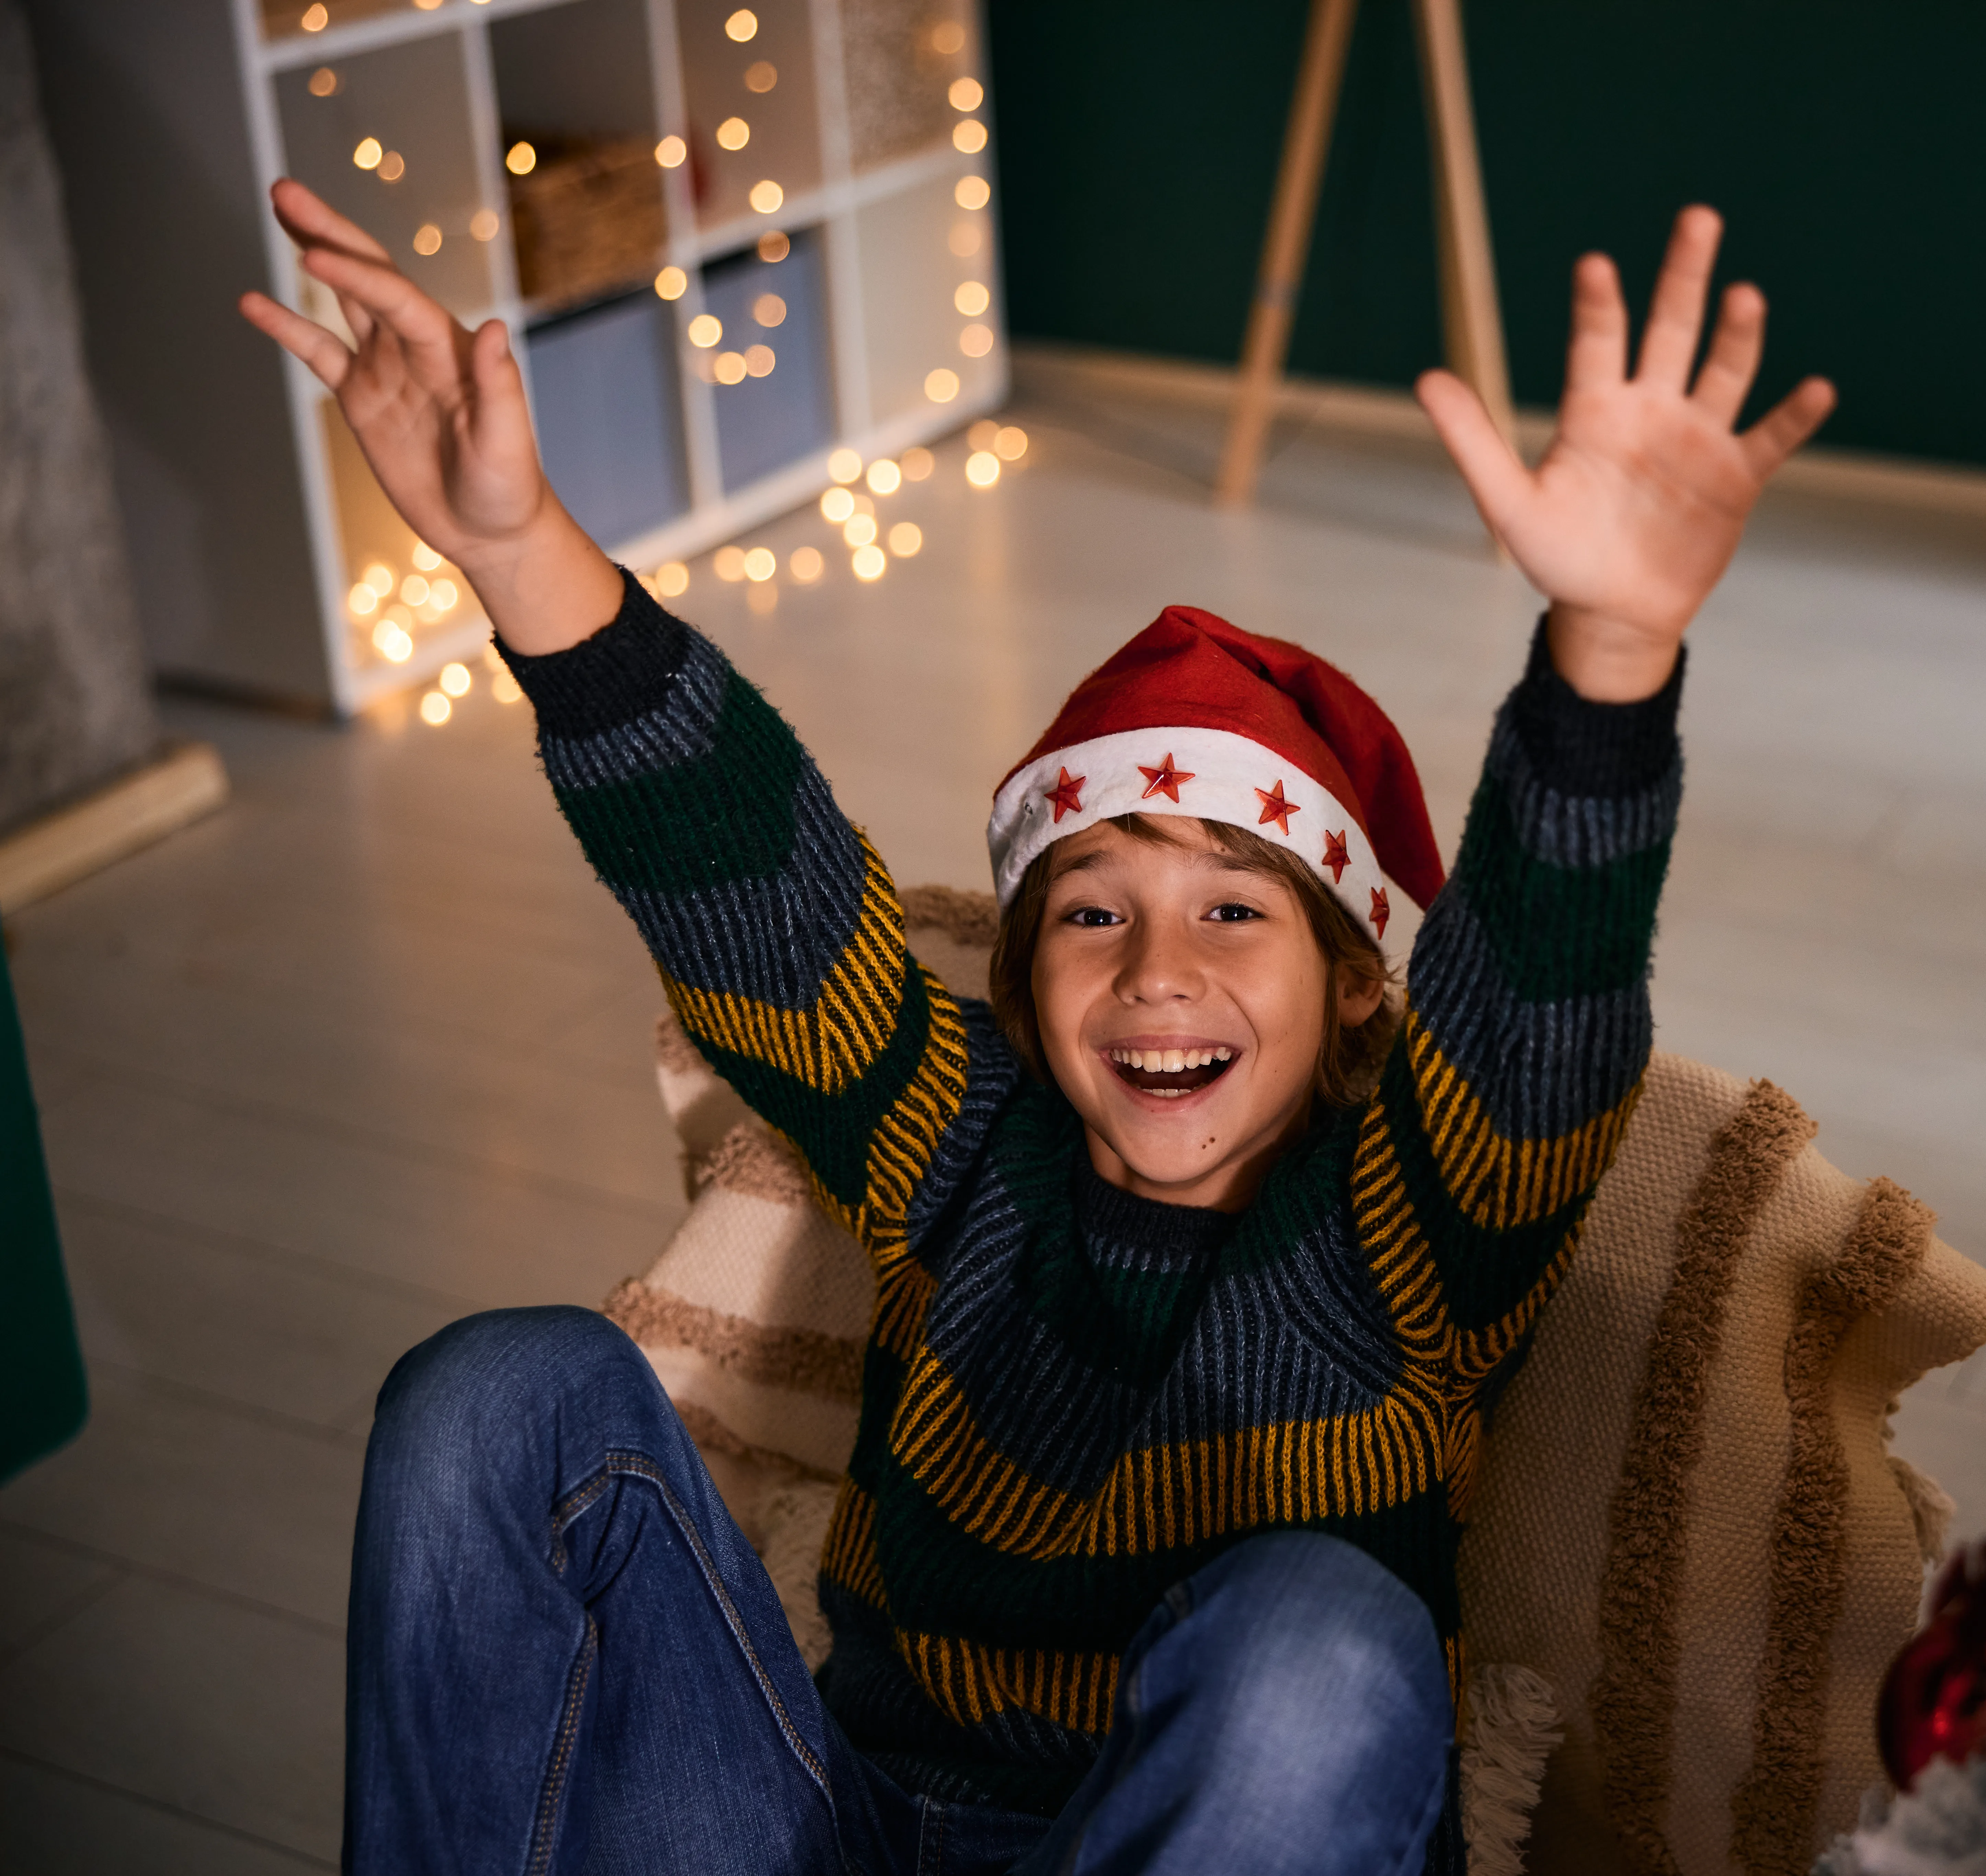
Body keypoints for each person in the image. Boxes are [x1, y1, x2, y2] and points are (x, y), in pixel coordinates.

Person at [242, 178, 1831, 1876]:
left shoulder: (1411, 1227)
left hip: (1228, 1826)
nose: (1156, 968)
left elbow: (1533, 1006)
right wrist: (515, 553)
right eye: (1092, 910)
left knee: (1316, 1636)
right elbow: (754, 893)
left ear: (1361, 982)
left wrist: (1610, 651)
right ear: (1014, 981)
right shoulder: (956, 1136)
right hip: (862, 1825)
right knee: (497, 1394)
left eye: (1234, 908)